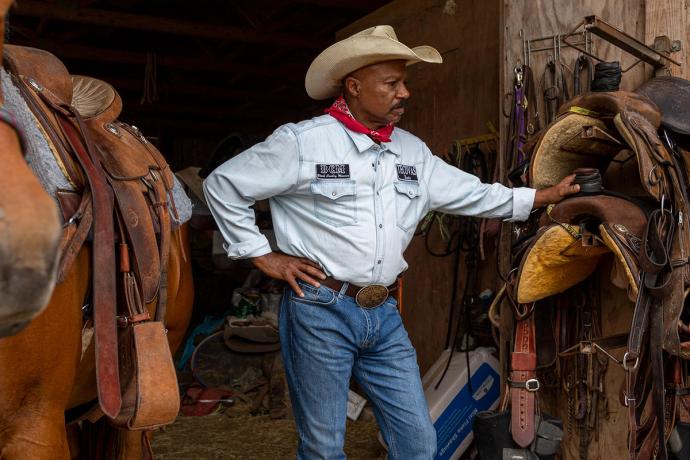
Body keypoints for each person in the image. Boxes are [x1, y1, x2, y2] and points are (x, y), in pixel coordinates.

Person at [203, 25, 579, 460]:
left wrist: (543, 197)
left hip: (381, 314)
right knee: (324, 447)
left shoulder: (411, 152)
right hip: (320, 309)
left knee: (418, 442)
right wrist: (263, 255)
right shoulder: (304, 143)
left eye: (405, 82)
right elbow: (224, 185)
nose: (405, 93)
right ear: (354, 86)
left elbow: (474, 193)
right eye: (392, 83)